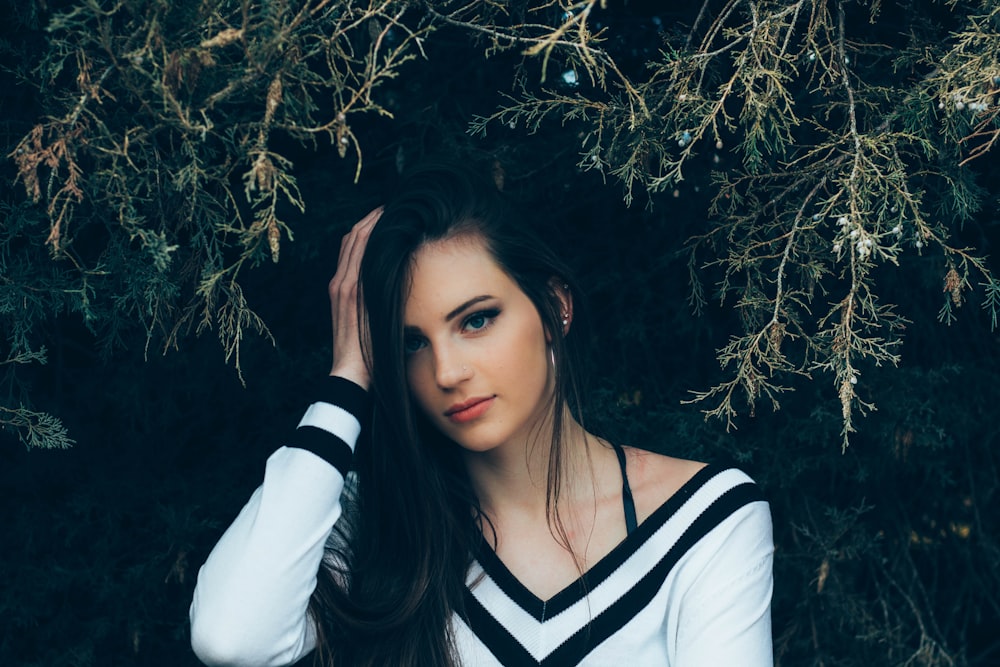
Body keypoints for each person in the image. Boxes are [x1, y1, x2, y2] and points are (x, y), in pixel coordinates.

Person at [189, 162, 774, 666]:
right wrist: (347, 381)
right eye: (410, 344)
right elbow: (232, 637)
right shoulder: (380, 524)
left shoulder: (706, 520)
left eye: (476, 320)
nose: (447, 372)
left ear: (553, 308)